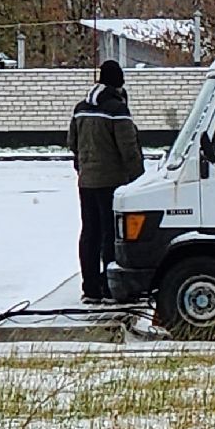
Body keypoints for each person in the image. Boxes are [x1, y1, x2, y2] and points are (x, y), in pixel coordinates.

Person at [68, 59, 144, 303]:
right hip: (112, 182)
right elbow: (129, 150)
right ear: (118, 82)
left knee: (89, 232)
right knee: (110, 233)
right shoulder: (117, 110)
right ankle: (111, 287)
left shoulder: (80, 108)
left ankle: (90, 287)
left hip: (86, 182)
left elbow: (72, 143)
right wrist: (139, 180)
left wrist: (83, 166)